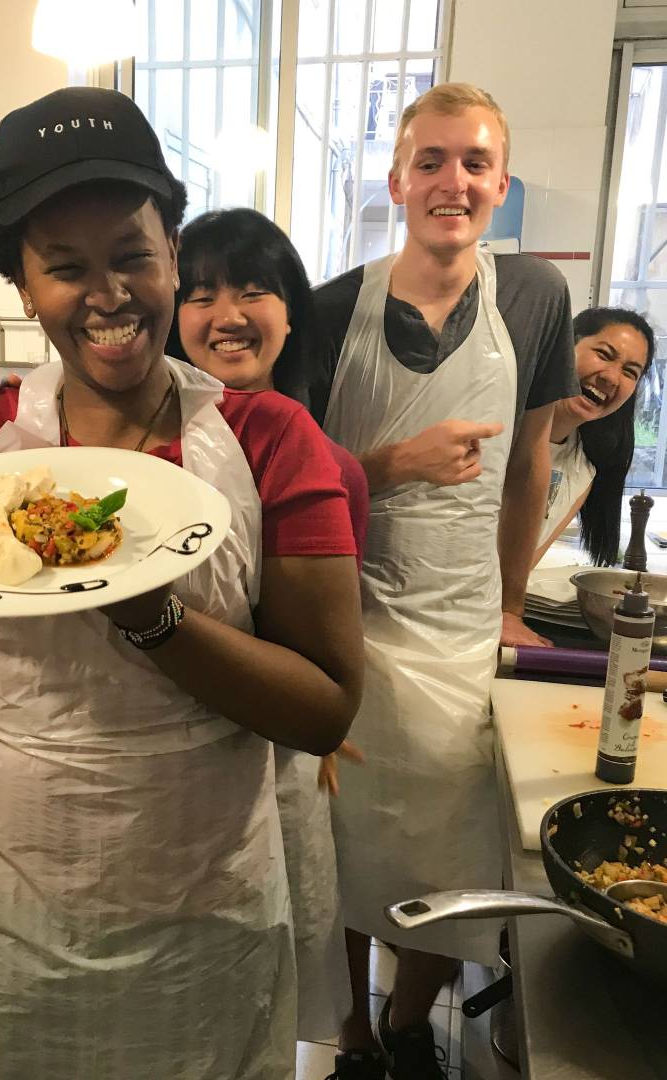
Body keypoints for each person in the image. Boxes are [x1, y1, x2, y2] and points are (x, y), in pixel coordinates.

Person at [0, 86, 363, 1079]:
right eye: (66, 267)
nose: (108, 294)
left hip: (199, 921)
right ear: (18, 280)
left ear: (173, 253)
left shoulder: (273, 441)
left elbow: (325, 708)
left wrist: (155, 617)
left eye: (133, 254)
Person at [264, 82, 578, 1080]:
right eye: (432, 162)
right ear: (398, 180)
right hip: (348, 619)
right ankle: (353, 1035)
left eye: (474, 162)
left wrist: (512, 602)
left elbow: (531, 462)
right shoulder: (324, 310)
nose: (454, 180)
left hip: (456, 633)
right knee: (341, 847)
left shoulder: (533, 299)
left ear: (500, 182)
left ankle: (407, 1027)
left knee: (449, 851)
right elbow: (298, 478)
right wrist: (397, 460)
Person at [163, 204, 368, 1051]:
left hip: (283, 749)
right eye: (201, 293)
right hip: (179, 755)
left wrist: (325, 725)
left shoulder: (319, 449)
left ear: (291, 311)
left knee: (267, 967)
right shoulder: (145, 442)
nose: (228, 315)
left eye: (256, 290)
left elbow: (336, 629)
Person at [532, 307, 654, 566]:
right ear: (566, 345)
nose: (611, 378)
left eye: (630, 372)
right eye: (604, 354)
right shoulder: (495, 429)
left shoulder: (581, 473)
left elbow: (521, 569)